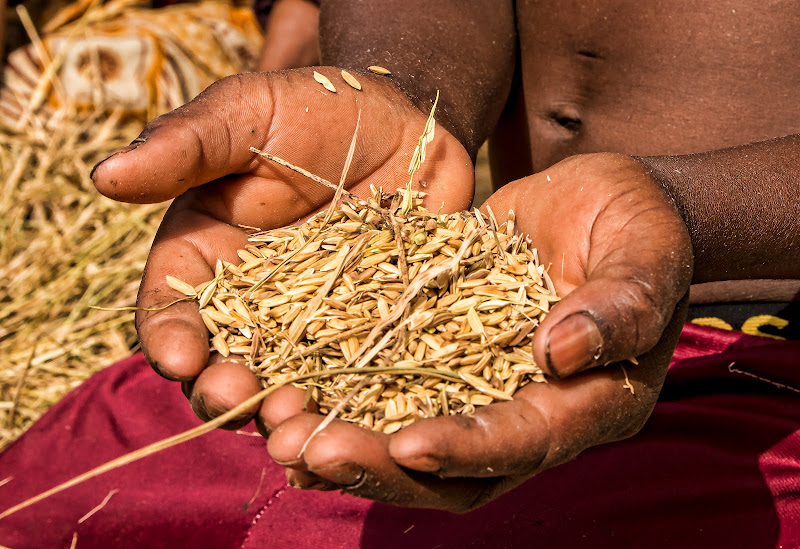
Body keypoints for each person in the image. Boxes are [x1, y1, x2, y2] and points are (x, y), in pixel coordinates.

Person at [1, 1, 798, 547]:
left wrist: (691, 211)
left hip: (764, 350)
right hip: (524, 304)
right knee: (49, 496)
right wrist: (399, 91)